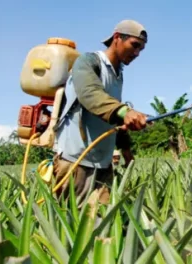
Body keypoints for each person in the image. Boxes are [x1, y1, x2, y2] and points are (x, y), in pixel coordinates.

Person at [52, 19, 149, 207]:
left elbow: (114, 117)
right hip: (76, 161)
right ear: (117, 38)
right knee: (73, 226)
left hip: (103, 164)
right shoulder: (88, 62)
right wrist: (124, 111)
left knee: (101, 227)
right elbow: (90, 95)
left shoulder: (118, 74)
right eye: (135, 45)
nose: (137, 53)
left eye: (141, 50)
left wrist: (126, 151)